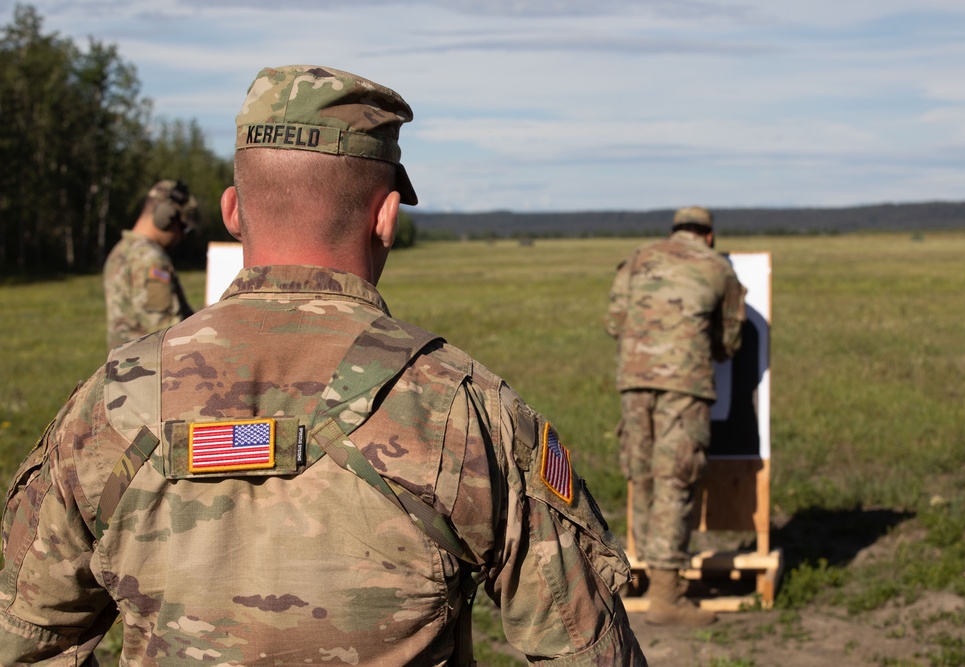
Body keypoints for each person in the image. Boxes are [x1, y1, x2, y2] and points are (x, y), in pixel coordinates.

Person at [0, 65, 645, 665]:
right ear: (386, 217)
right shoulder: (462, 409)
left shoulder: (108, 405)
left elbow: (24, 635)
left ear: (232, 210)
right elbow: (585, 646)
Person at [605, 206, 746, 626]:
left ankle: (636, 574)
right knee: (675, 476)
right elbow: (729, 342)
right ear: (709, 235)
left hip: (633, 379)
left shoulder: (638, 258)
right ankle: (668, 594)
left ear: (674, 231)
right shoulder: (718, 268)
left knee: (641, 472)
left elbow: (615, 322)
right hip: (685, 384)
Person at [102, 179, 198, 350]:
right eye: (182, 226)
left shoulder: (119, 251)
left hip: (125, 370)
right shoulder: (150, 259)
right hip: (150, 371)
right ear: (166, 217)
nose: (181, 236)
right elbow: (168, 332)